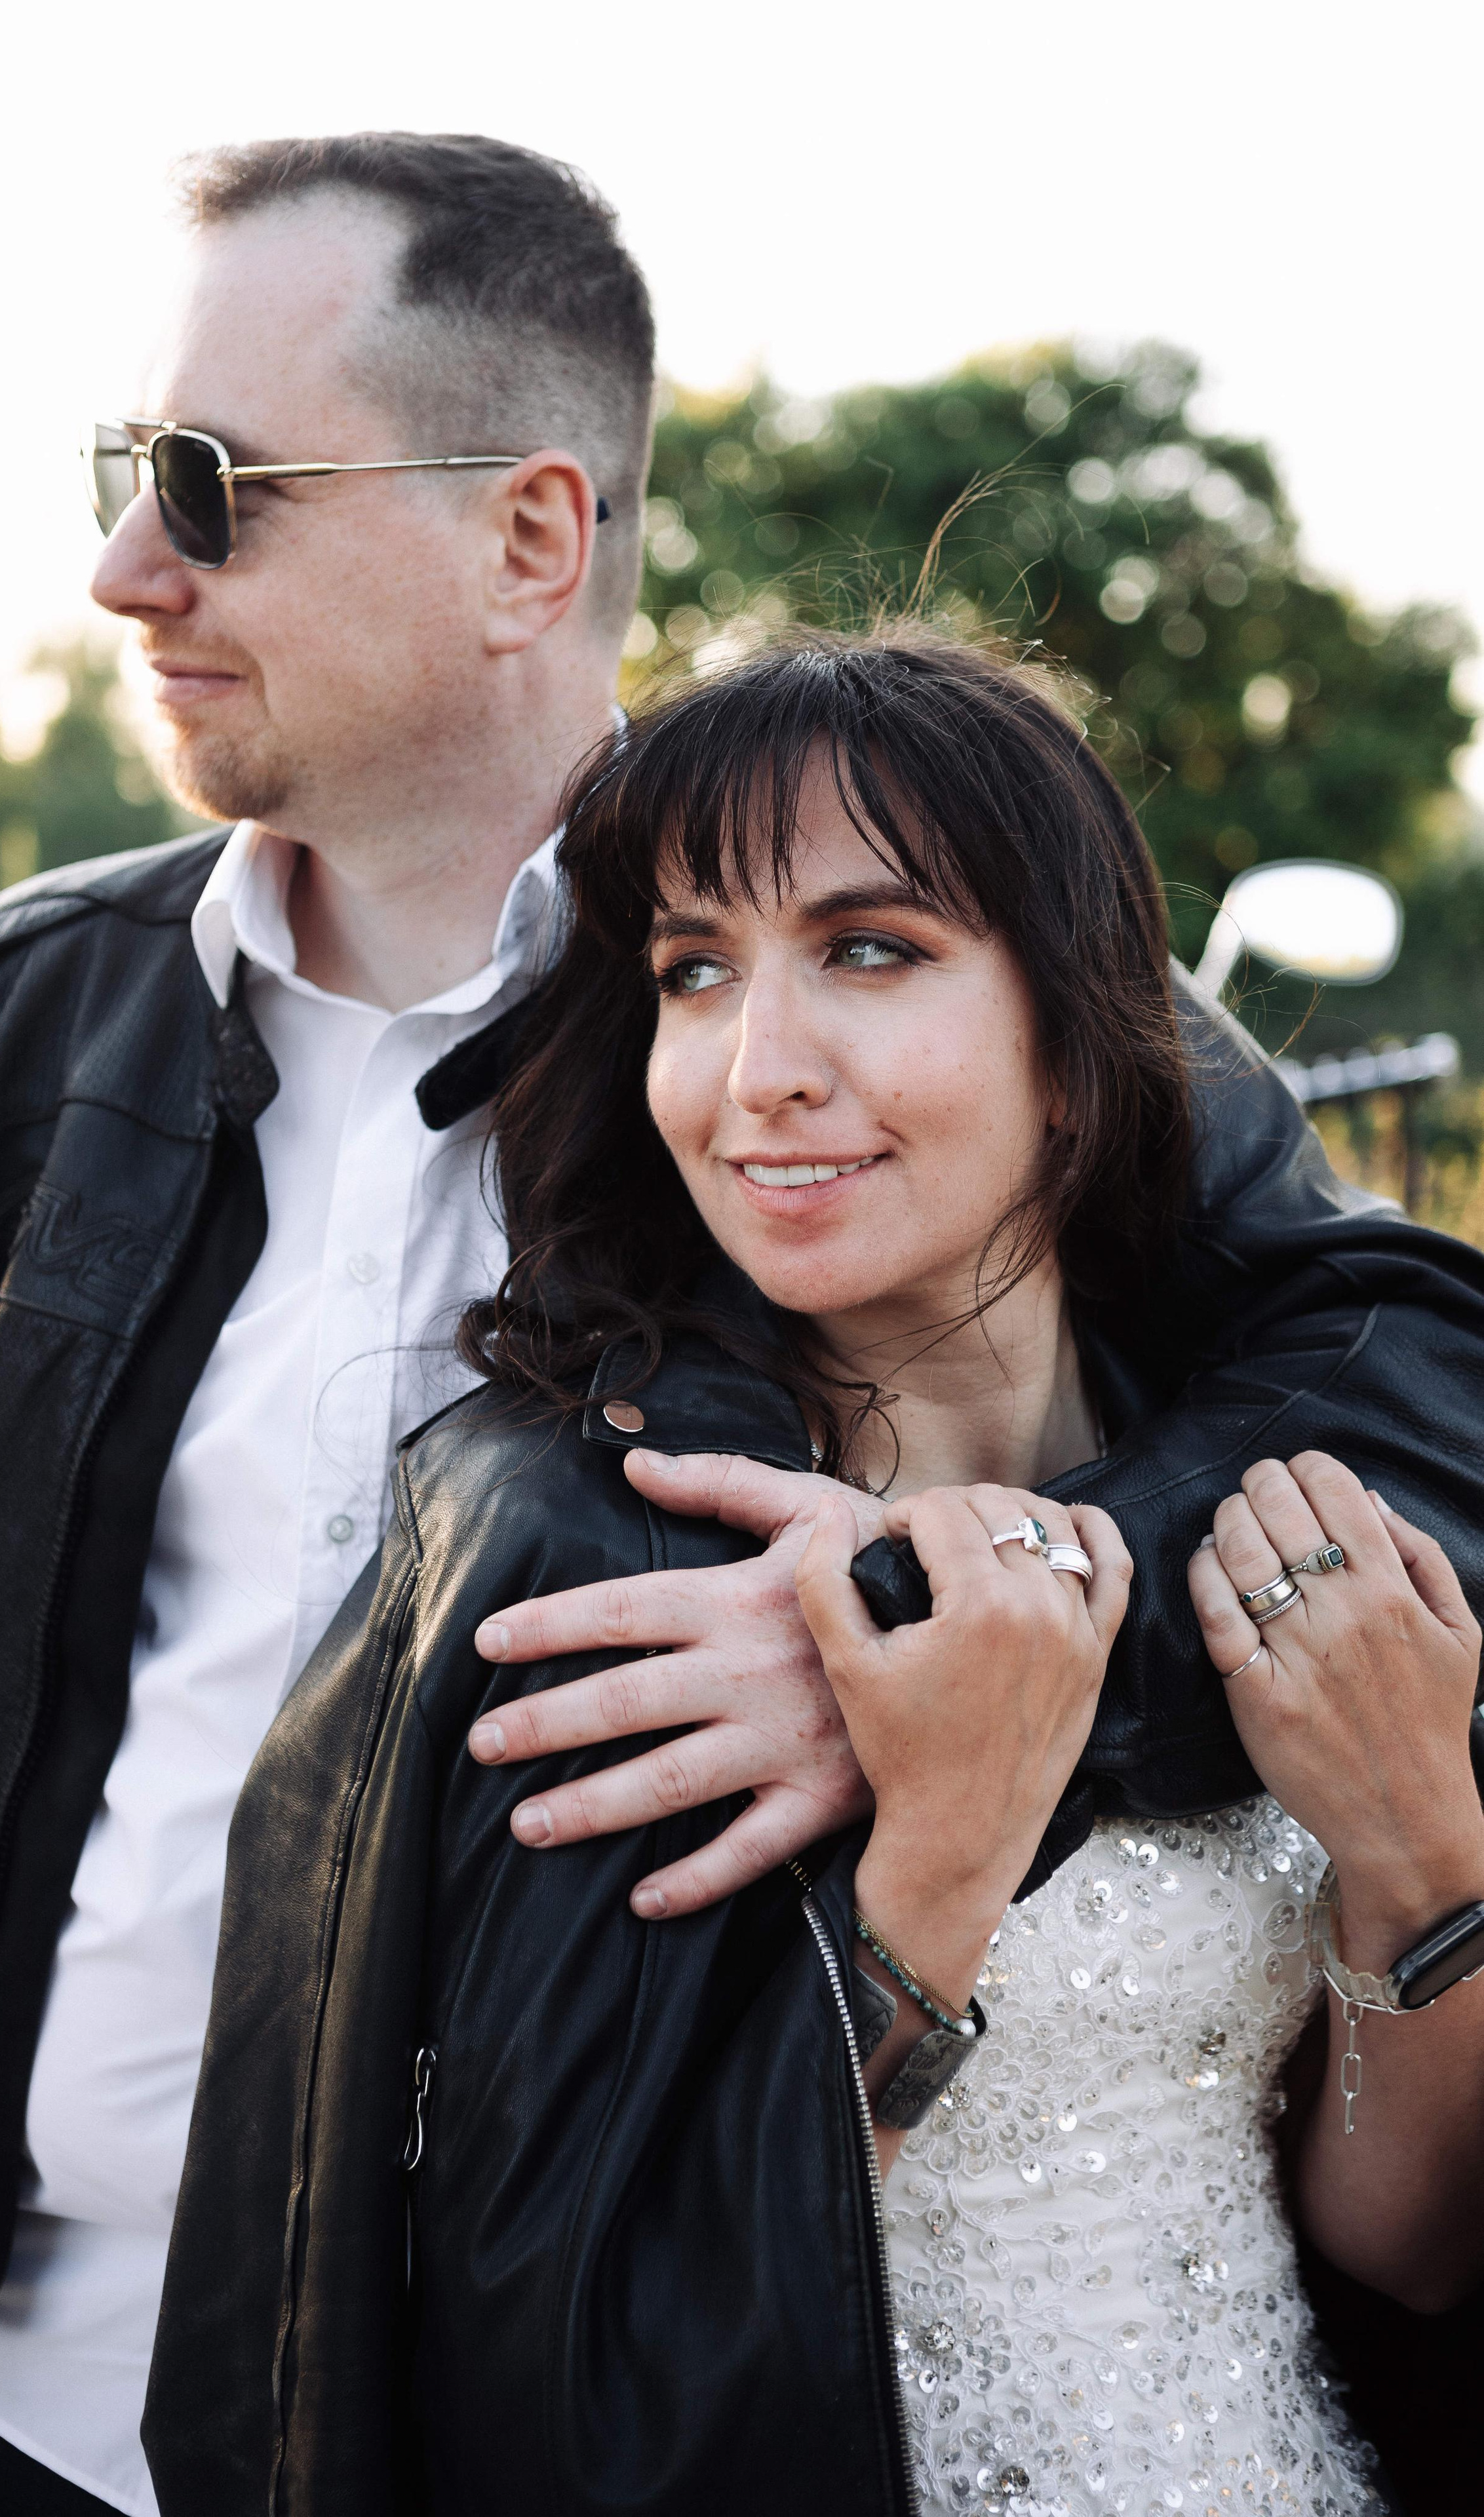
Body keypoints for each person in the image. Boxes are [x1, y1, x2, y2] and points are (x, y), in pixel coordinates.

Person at [0, 128, 1477, 2517]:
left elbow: (1415, 1371)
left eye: (209, 480)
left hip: (529, 2411)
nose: (121, 565)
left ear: (532, 536)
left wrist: (968, 1629)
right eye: (123, 472)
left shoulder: (895, 1012)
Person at [146, 631, 1484, 2516]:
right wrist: (934, 1869)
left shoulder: (1275, 1504)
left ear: (1084, 1044)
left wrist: (1426, 1862)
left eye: (871, 949)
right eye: (696, 973)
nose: (759, 1072)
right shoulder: (607, 1566)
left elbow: (1406, 2252)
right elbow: (566, 2370)